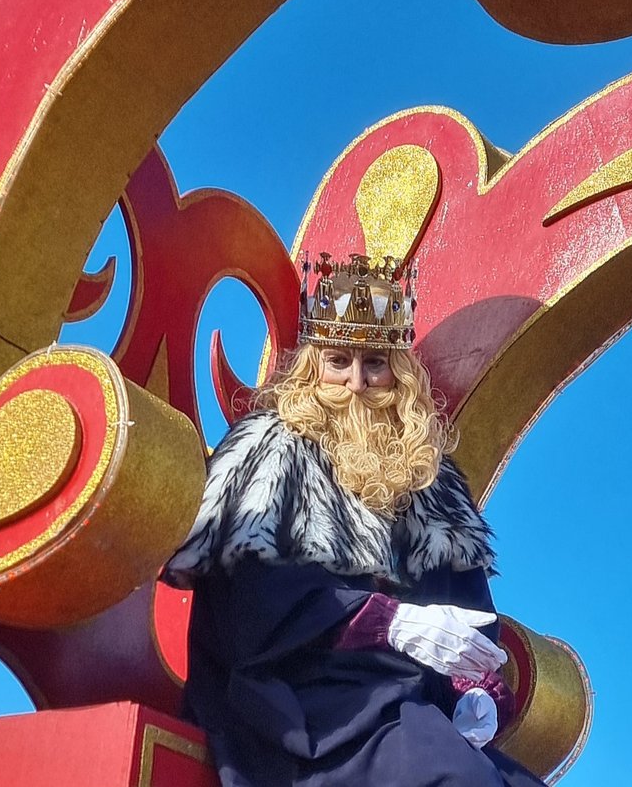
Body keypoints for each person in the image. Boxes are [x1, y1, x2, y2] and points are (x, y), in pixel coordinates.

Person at [162, 253, 547, 787]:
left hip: (405, 705)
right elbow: (248, 607)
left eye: (374, 364)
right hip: (297, 706)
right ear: (313, 366)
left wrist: (474, 689)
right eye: (339, 360)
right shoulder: (268, 452)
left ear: (400, 375)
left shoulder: (428, 483)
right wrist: (390, 623)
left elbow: (466, 611)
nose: (356, 383)